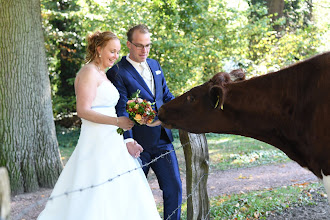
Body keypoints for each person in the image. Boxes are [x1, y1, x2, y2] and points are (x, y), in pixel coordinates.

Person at [38, 31, 161, 220]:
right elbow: (83, 111)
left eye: (117, 52)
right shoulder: (88, 72)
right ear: (99, 49)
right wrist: (116, 122)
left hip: (112, 140)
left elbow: (109, 108)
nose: (115, 56)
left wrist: (127, 134)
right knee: (95, 187)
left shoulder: (101, 74)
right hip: (96, 141)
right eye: (112, 51)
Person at [107, 24, 182, 220]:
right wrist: (128, 141)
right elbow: (121, 108)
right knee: (133, 195)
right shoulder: (117, 72)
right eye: (139, 45)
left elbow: (165, 95)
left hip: (163, 141)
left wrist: (183, 114)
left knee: (174, 188)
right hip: (137, 145)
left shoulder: (155, 65)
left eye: (148, 45)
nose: (144, 50)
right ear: (129, 44)